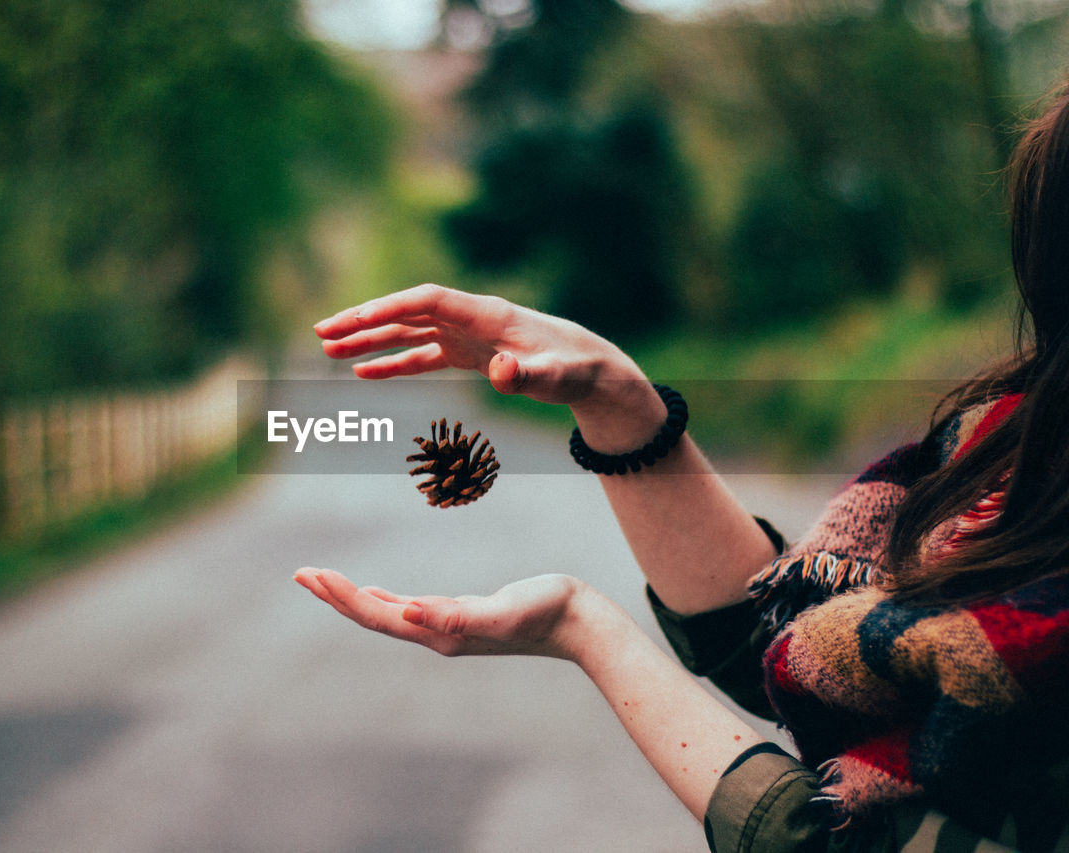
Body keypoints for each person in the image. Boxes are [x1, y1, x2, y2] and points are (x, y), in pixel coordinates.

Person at [294, 78, 1069, 852]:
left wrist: (586, 629)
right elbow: (785, 648)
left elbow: (838, 842)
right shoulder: (1008, 444)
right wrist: (615, 400)